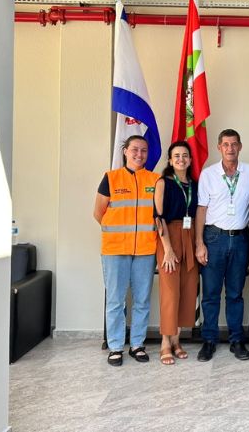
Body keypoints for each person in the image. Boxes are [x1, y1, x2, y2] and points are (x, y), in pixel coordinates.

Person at [93, 135, 158, 366]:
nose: (139, 154)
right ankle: (116, 347)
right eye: (134, 150)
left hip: (145, 249)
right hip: (115, 250)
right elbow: (99, 212)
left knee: (142, 300)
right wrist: (119, 234)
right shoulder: (110, 178)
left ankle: (138, 344)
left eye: (143, 150)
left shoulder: (156, 179)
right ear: (125, 151)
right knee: (115, 300)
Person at [194, 129, 249, 362]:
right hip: (214, 238)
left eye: (234, 144)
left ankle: (236, 340)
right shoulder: (209, 174)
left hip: (240, 239)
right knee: (210, 293)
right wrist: (199, 243)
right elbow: (201, 210)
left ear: (240, 146)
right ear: (219, 147)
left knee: (235, 293)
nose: (230, 148)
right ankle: (209, 340)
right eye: (225, 144)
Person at [154, 141, 199, 365]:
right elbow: (158, 217)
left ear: (190, 160)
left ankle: (177, 339)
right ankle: (164, 342)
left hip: (189, 236)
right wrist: (168, 249)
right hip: (168, 237)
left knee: (188, 288)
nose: (181, 159)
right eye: (176, 156)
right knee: (170, 291)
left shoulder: (194, 184)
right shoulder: (163, 182)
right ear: (170, 161)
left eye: (185, 155)